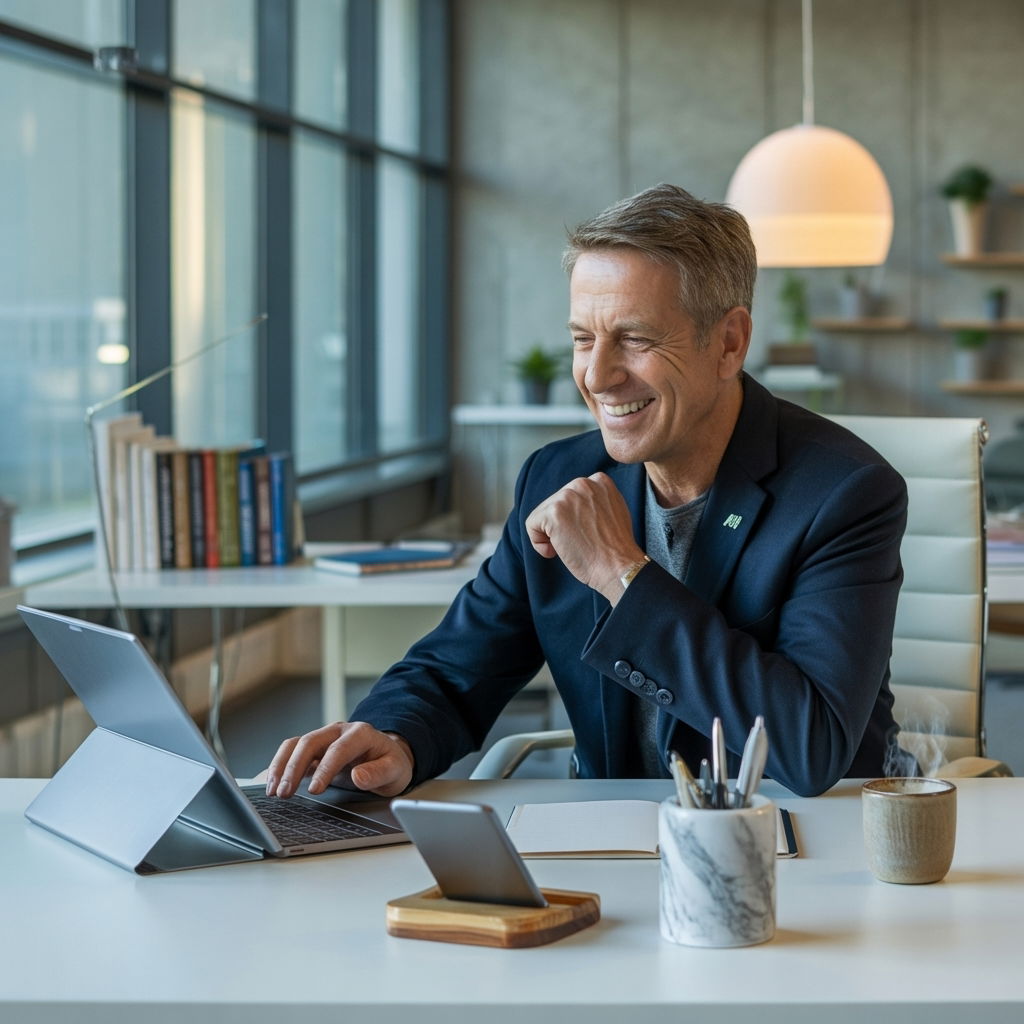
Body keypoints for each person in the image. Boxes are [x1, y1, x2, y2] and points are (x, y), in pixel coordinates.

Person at [265, 183, 909, 801]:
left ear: (729, 343)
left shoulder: (845, 493)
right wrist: (394, 735)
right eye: (582, 339)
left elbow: (809, 745)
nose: (597, 375)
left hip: (801, 842)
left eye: (634, 338)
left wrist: (622, 573)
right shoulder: (555, 477)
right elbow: (457, 665)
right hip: (610, 844)